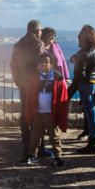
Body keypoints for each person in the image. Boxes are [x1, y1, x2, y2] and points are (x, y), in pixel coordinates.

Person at [21, 53, 70, 167]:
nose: (44, 64)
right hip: (38, 112)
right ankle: (32, 155)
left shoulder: (58, 78)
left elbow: (63, 97)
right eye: (41, 62)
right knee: (35, 136)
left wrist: (61, 114)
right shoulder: (35, 78)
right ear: (38, 64)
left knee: (55, 137)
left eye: (46, 62)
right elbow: (30, 95)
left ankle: (58, 156)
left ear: (51, 64)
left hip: (51, 113)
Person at [11, 20, 46, 153]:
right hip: (35, 83)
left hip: (22, 83)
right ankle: (39, 146)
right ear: (38, 31)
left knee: (25, 113)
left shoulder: (18, 44)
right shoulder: (39, 43)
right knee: (38, 112)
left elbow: (13, 65)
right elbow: (41, 64)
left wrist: (18, 80)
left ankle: (26, 142)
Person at [71, 25, 95, 155]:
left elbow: (81, 72)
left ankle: (92, 143)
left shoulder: (83, 53)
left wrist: (76, 85)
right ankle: (93, 141)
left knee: (90, 115)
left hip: (86, 85)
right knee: (92, 113)